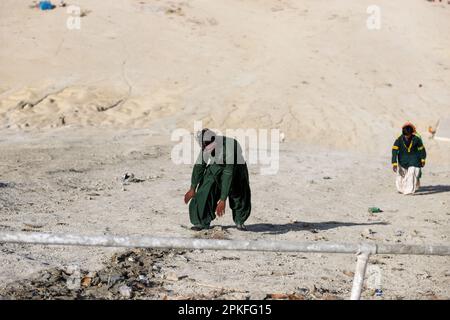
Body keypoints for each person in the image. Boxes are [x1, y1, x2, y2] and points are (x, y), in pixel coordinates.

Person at [184, 129, 251, 231]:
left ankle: (239, 220)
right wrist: (193, 187)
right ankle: (201, 222)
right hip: (218, 165)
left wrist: (223, 199)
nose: (205, 149)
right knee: (206, 188)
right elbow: (199, 166)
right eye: (203, 146)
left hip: (236, 168)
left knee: (238, 192)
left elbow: (228, 174)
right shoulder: (206, 146)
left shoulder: (229, 147)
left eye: (206, 146)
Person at [391, 122, 427, 194]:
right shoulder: (399, 140)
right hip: (402, 160)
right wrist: (394, 163)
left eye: (408, 135)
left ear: (412, 133)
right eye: (405, 136)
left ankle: (409, 191)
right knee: (401, 175)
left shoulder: (417, 139)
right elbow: (394, 151)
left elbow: (422, 149)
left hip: (414, 159)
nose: (407, 137)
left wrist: (423, 159)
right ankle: (402, 189)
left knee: (412, 173)